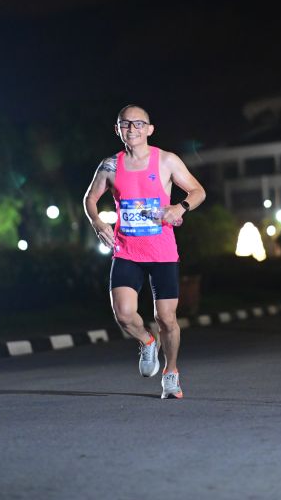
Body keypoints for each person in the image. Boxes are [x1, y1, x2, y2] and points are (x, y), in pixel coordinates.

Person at [83, 104, 206, 398]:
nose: (132, 129)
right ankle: (147, 342)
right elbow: (90, 199)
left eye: (138, 124)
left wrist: (179, 207)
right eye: (125, 124)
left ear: (150, 129)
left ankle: (171, 372)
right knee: (124, 314)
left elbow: (198, 191)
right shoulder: (110, 165)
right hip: (126, 250)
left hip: (162, 252)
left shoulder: (166, 160)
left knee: (166, 318)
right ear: (117, 129)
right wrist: (97, 221)